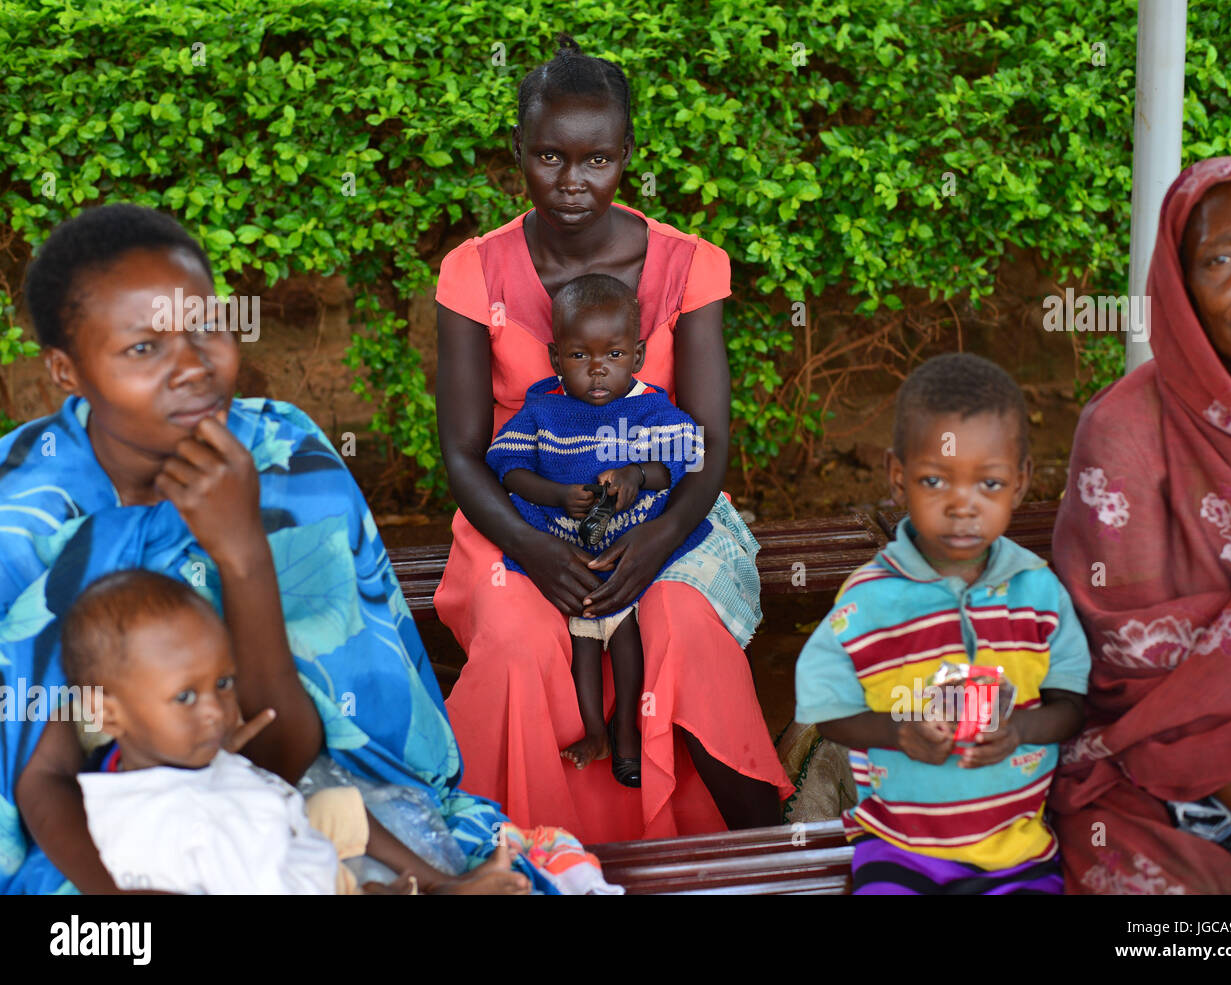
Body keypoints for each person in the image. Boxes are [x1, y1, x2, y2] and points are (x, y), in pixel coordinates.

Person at [2, 203, 533, 894]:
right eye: (143, 348)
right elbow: (38, 784)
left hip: (283, 811)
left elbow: (284, 758)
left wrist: (243, 552)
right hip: (104, 851)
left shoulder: (287, 456)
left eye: (207, 327)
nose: (192, 366)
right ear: (65, 371)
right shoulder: (21, 515)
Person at [434, 35, 792, 841]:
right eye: (550, 157)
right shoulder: (473, 273)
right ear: (518, 153)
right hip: (520, 515)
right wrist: (531, 547)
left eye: (596, 161)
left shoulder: (687, 266)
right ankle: (521, 860)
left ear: (626, 156)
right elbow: (462, 451)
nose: (572, 183)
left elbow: (703, 440)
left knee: (680, 626)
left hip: (666, 514)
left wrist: (659, 538)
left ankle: (760, 856)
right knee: (523, 638)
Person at [1050, 155, 1231, 895]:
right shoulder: (1126, 431)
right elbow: (1139, 688)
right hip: (1164, 776)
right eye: (1222, 258)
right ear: (1179, 286)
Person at [795, 353, 1089, 894]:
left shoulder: (1040, 591)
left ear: (1021, 482)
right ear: (897, 476)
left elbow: (1071, 706)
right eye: (935, 480)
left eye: (990, 484)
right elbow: (828, 712)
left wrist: (1019, 731)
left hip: (1018, 852)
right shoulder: (867, 598)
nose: (962, 506)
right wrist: (898, 733)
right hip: (896, 849)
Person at [62, 569, 521, 895]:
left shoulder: (143, 761)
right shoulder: (180, 828)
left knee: (338, 807)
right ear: (108, 712)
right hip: (297, 879)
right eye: (184, 697)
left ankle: (443, 884)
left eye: (223, 684)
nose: (215, 712)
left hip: (294, 849)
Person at [485, 274, 711, 786]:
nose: (597, 371)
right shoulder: (543, 409)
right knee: (583, 647)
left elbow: (685, 453)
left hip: (633, 552)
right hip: (569, 552)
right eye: (579, 357)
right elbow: (509, 466)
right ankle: (595, 730)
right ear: (554, 357)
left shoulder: (649, 407)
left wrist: (638, 474)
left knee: (628, 642)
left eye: (611, 355)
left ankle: (628, 729)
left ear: (637, 355)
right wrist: (556, 494)